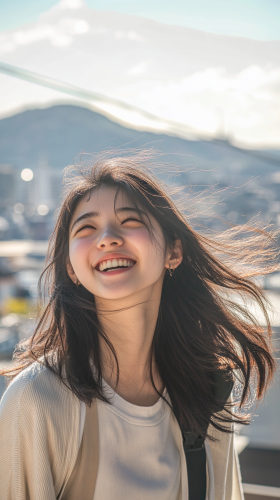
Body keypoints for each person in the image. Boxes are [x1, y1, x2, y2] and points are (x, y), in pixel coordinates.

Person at [0, 151, 277, 500]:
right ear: (71, 268)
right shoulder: (39, 398)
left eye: (130, 220)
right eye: (86, 227)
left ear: (173, 253)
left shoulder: (209, 392)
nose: (107, 237)